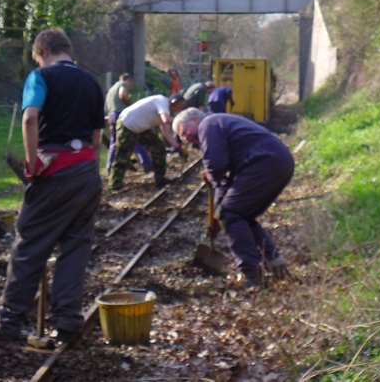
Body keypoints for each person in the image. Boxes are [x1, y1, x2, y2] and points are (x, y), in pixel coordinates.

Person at [0, 28, 104, 345]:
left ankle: (10, 320)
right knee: (76, 247)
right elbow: (97, 138)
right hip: (87, 172)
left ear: (42, 53)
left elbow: (29, 118)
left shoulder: (41, 77)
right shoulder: (93, 82)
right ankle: (68, 321)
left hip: (54, 171)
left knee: (30, 245)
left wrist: (32, 161)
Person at [171, 108, 292, 288]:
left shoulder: (208, 125)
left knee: (231, 214)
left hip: (264, 163)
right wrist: (218, 211)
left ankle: (251, 275)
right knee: (242, 215)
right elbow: (223, 182)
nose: (185, 139)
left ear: (194, 120)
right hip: (277, 162)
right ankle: (274, 262)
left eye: (184, 132)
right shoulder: (218, 125)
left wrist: (220, 209)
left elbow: (217, 167)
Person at [110, 93, 185, 190]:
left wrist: (178, 147)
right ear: (174, 102)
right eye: (179, 105)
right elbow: (165, 120)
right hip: (127, 124)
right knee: (122, 155)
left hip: (141, 128)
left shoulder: (166, 109)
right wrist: (178, 121)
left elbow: (166, 133)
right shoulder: (162, 101)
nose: (180, 108)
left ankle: (160, 180)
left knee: (159, 148)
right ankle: (115, 186)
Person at [105, 73, 152, 173]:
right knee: (135, 139)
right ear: (128, 80)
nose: (132, 85)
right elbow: (123, 95)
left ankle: (109, 167)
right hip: (121, 116)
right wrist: (131, 106)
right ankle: (147, 164)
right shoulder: (123, 85)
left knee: (114, 143)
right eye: (132, 82)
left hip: (112, 116)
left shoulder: (111, 89)